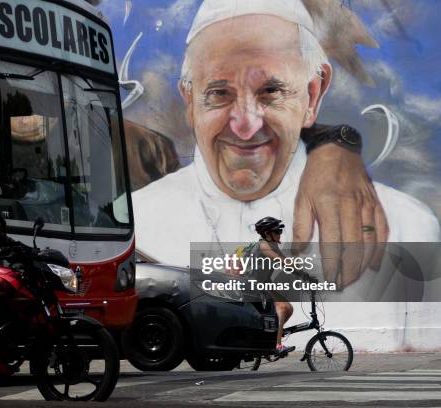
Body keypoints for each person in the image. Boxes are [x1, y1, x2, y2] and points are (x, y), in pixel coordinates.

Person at [132, 0, 440, 287]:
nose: (245, 126)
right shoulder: (138, 226)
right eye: (219, 93)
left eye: (271, 91)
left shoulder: (406, 229)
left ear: (313, 94)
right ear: (189, 100)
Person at [252, 217, 294, 354]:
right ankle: (277, 345)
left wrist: (307, 276)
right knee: (282, 308)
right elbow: (280, 260)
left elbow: (286, 262)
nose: (279, 234)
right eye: (277, 231)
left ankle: (272, 335)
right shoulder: (263, 246)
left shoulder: (273, 245)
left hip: (265, 283)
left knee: (289, 308)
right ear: (267, 233)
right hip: (254, 285)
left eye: (280, 231)